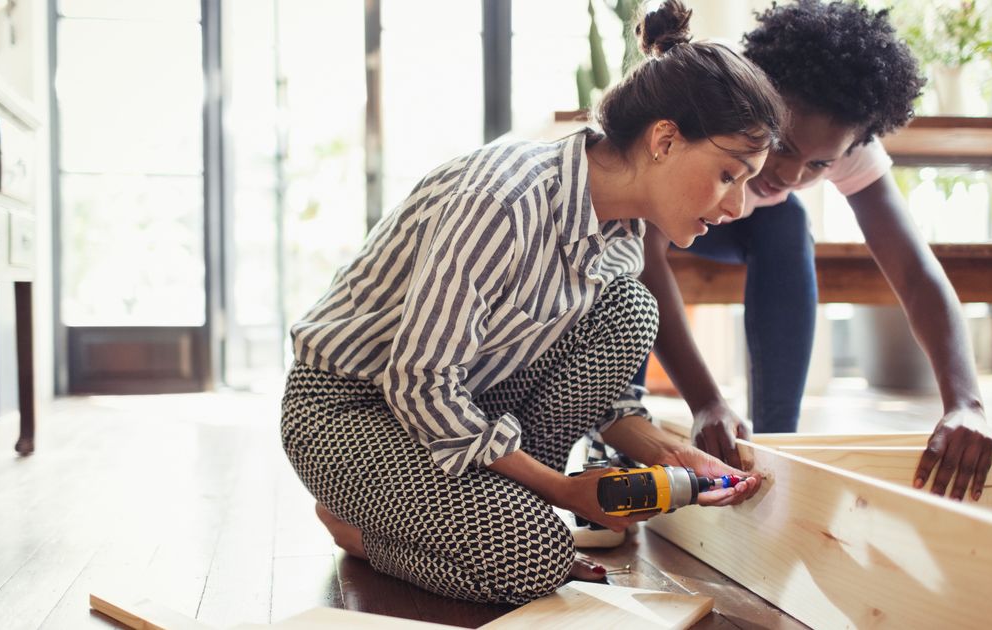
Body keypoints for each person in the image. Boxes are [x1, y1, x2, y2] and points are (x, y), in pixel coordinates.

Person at [281, 1, 783, 605]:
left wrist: (681, 458)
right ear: (665, 140)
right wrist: (561, 492)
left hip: (469, 409)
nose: (737, 206)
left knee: (633, 310)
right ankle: (359, 530)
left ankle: (490, 515)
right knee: (535, 558)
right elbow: (421, 384)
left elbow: (605, 398)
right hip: (351, 409)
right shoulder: (505, 201)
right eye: (731, 175)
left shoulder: (625, 239)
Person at [637, 0, 992, 501]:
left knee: (787, 220)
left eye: (818, 165)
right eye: (782, 146)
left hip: (738, 229)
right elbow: (643, 255)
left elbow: (915, 274)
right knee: (623, 267)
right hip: (643, 224)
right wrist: (705, 402)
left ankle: (779, 439)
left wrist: (966, 404)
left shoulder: (844, 144)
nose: (790, 174)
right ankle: (623, 418)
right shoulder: (712, 99)